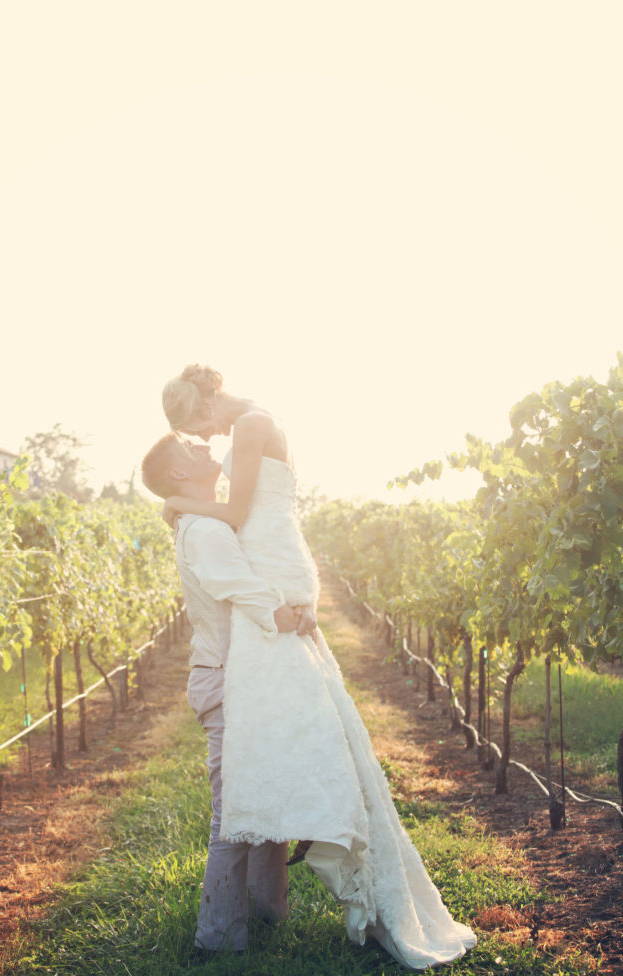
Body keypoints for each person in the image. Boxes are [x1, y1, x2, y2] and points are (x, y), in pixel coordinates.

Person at [160, 365, 478, 971]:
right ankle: (298, 835)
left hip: (272, 561)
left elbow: (234, 512)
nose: (205, 434)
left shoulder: (251, 424)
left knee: (285, 709)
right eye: (192, 432)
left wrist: (174, 501)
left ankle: (315, 818)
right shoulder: (252, 424)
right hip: (272, 559)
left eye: (197, 420)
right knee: (287, 714)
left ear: (208, 398)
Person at [141, 433, 315, 952]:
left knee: (259, 792)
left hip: (241, 670)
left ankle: (266, 910)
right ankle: (215, 938)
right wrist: (281, 613)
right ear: (177, 474)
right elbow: (234, 582)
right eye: (190, 448)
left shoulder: (201, 517)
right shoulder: (203, 530)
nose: (204, 446)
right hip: (224, 674)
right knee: (233, 809)